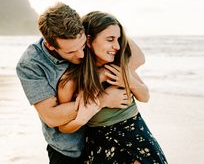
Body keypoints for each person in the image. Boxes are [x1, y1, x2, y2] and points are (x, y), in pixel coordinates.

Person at [16, 3, 145, 164]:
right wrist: (102, 99)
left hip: (101, 140)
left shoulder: (84, 27)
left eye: (83, 46)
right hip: (69, 149)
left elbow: (138, 56)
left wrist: (102, 75)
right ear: (50, 45)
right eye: (71, 52)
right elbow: (51, 117)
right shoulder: (31, 64)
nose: (82, 55)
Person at [57, 11, 168, 163]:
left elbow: (145, 96)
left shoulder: (118, 66)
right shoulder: (71, 80)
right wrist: (81, 119)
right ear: (89, 41)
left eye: (119, 39)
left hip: (137, 135)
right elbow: (63, 127)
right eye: (110, 39)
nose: (116, 46)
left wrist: (128, 80)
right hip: (101, 143)